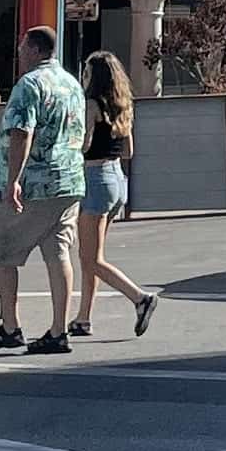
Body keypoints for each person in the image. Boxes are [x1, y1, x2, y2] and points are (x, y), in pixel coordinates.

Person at [0, 26, 87, 354]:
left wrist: (13, 181)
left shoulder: (30, 84)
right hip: (68, 180)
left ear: (36, 50)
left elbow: (22, 132)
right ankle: (58, 330)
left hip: (34, 184)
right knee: (58, 252)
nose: (20, 52)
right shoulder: (71, 83)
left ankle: (10, 326)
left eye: (23, 46)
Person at [71, 52, 161, 339]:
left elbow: (84, 145)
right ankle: (83, 318)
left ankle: (139, 297)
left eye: (86, 72)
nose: (83, 77)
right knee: (92, 256)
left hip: (94, 177)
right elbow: (128, 150)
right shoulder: (123, 104)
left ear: (94, 77)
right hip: (115, 178)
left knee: (90, 259)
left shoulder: (91, 104)